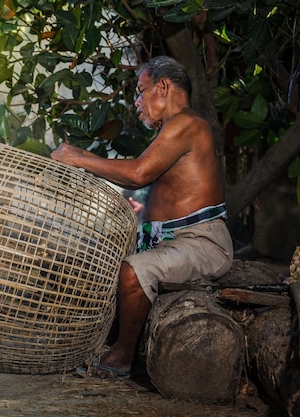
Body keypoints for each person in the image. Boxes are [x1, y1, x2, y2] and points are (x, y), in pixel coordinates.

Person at [51, 56, 233, 379]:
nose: (137, 102)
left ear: (163, 87)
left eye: (141, 90)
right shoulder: (174, 129)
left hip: (203, 244)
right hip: (179, 241)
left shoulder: (186, 123)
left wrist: (80, 158)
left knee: (135, 272)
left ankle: (122, 356)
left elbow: (138, 173)